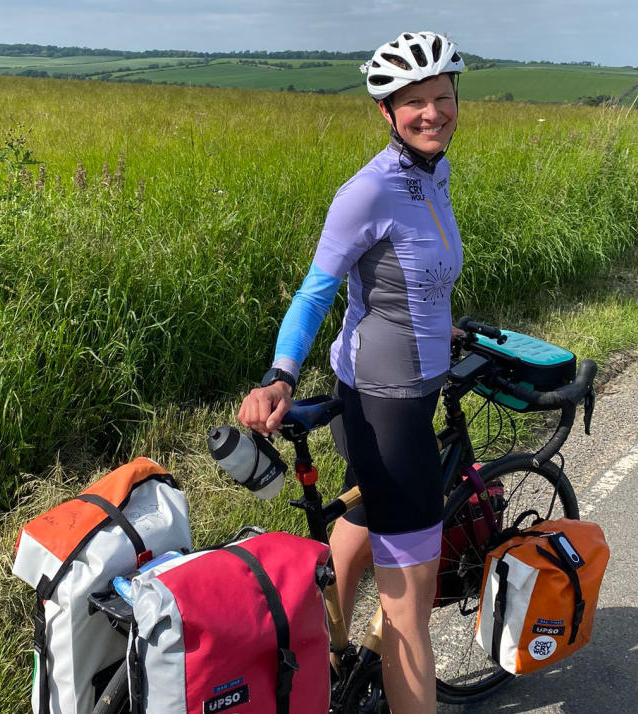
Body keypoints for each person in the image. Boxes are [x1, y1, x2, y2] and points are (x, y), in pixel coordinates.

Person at [237, 31, 465, 714]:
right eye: (415, 102)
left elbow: (409, 278)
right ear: (387, 112)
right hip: (383, 405)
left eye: (443, 97)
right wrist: (280, 375)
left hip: (411, 382)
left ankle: (327, 665)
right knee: (409, 615)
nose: (433, 112)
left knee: (362, 516)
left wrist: (437, 326)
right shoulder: (365, 192)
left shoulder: (435, 172)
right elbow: (315, 292)